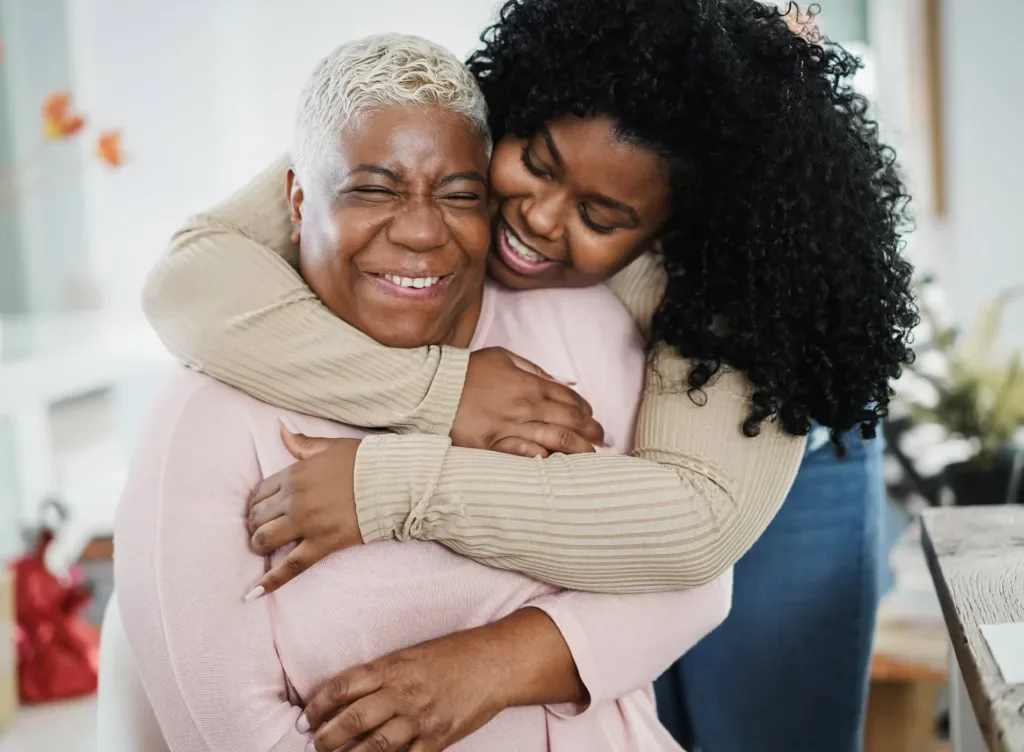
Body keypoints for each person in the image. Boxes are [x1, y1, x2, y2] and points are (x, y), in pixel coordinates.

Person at [140, 0, 917, 749]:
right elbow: (187, 281)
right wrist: (444, 393)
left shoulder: (738, 280)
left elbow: (690, 533)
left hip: (764, 462)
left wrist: (389, 488)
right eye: (535, 164)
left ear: (671, 232)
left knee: (769, 730)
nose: (537, 218)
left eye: (601, 217)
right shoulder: (456, 129)